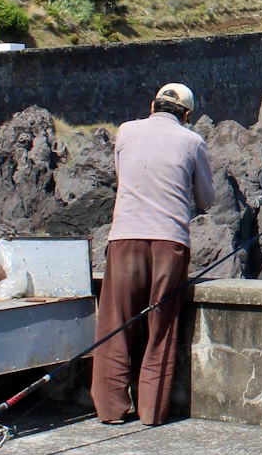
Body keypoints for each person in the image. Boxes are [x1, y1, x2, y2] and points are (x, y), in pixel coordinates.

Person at [90, 81, 216, 426]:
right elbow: (206, 199)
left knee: (115, 323)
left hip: (124, 238)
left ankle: (111, 408)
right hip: (169, 244)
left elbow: (122, 177)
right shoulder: (192, 141)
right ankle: (151, 411)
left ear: (152, 105)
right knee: (161, 327)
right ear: (187, 115)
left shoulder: (126, 132)